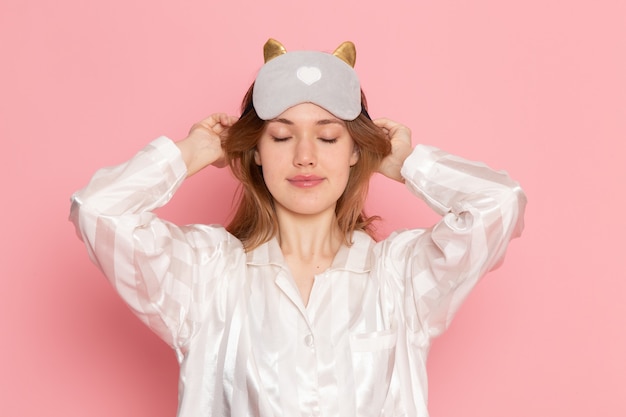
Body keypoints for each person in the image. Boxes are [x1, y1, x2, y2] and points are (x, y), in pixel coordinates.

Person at [70, 39, 526, 417]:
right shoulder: (206, 276)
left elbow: (498, 206)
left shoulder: (400, 279)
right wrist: (193, 152)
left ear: (355, 150)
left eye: (328, 137)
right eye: (282, 136)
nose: (305, 155)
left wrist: (408, 164)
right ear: (254, 151)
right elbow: (99, 211)